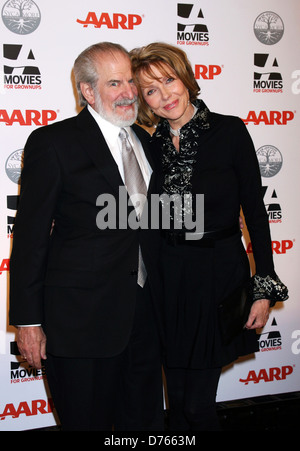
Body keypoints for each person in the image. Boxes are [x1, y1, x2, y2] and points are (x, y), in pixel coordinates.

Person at [130, 42, 288, 431]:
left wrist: (262, 286)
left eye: (169, 80)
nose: (165, 95)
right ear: (144, 100)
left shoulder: (229, 130)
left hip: (216, 277)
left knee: (198, 406)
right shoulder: (150, 144)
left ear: (186, 78)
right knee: (179, 403)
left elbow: (255, 211)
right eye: (151, 89)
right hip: (167, 280)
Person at [9, 42, 165, 431]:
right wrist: (28, 321)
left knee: (142, 424)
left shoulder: (146, 140)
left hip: (145, 315)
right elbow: (30, 237)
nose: (129, 92)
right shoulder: (54, 142)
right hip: (80, 322)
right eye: (115, 83)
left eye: (131, 79)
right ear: (88, 91)